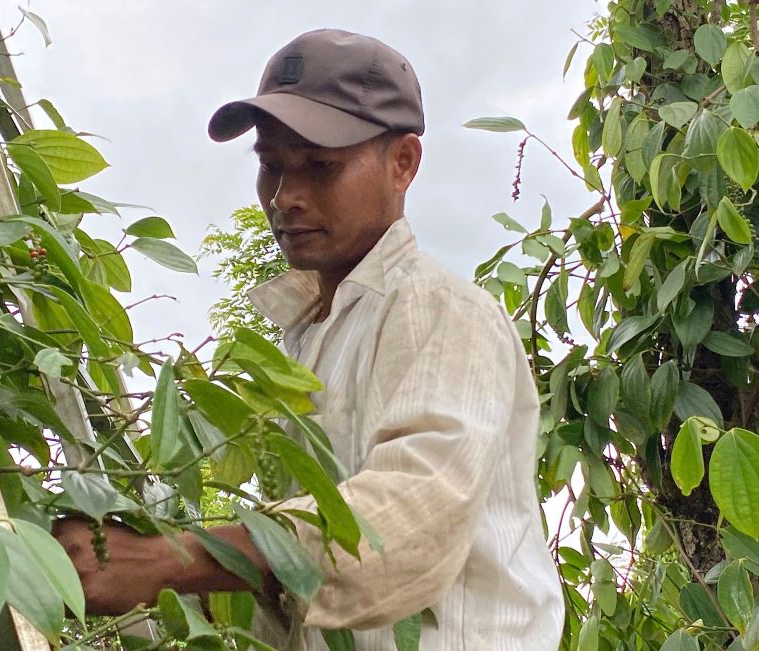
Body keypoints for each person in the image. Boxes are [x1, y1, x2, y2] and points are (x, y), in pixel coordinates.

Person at [55, 29, 564, 650]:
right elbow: (302, 579)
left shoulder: (440, 311)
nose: (285, 197)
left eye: (321, 166)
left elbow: (404, 516)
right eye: (271, 165)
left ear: (403, 163)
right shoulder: (307, 335)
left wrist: (169, 559)